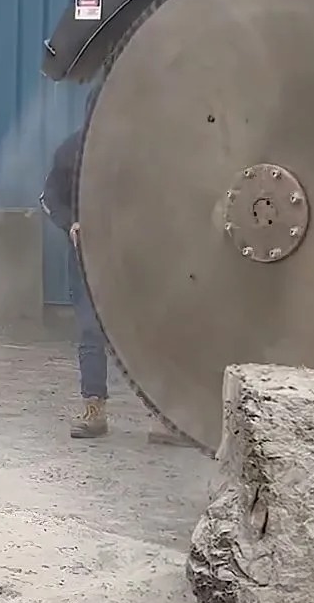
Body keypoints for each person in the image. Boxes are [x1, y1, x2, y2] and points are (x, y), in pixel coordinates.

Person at [41, 123, 198, 447]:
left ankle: (164, 415)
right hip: (89, 255)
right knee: (90, 328)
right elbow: (49, 196)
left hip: (136, 255)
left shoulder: (140, 151)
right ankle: (93, 409)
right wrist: (70, 222)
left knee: (151, 329)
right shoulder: (71, 150)